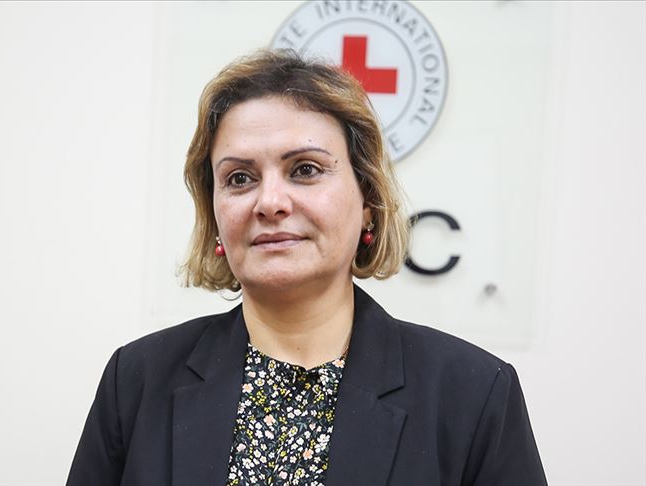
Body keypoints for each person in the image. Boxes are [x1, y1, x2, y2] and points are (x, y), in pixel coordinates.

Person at [66, 50, 547, 486]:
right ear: (214, 215)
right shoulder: (136, 381)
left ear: (367, 201)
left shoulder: (475, 394)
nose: (270, 202)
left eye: (305, 170)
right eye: (239, 178)